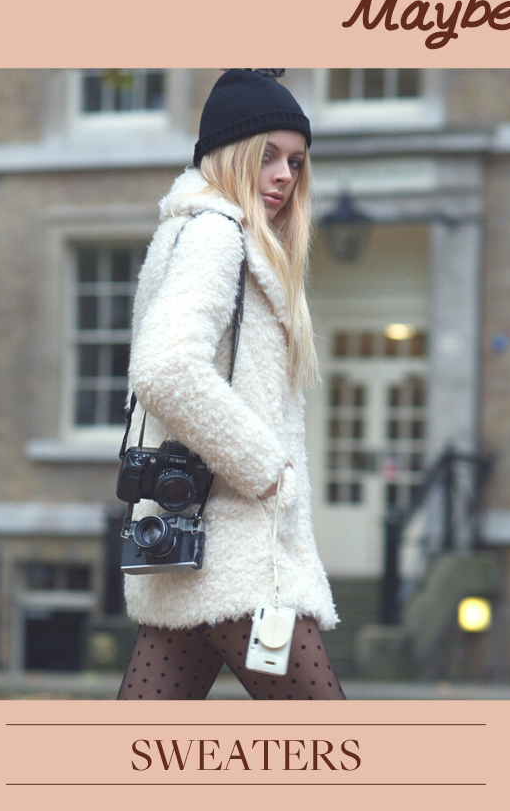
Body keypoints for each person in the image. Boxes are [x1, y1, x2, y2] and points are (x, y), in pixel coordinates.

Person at [117, 69, 345, 700]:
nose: (285, 175)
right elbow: (166, 369)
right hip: (236, 550)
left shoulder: (208, 233)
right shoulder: (216, 234)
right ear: (228, 154)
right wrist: (265, 468)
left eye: (296, 161)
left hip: (197, 549)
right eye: (267, 155)